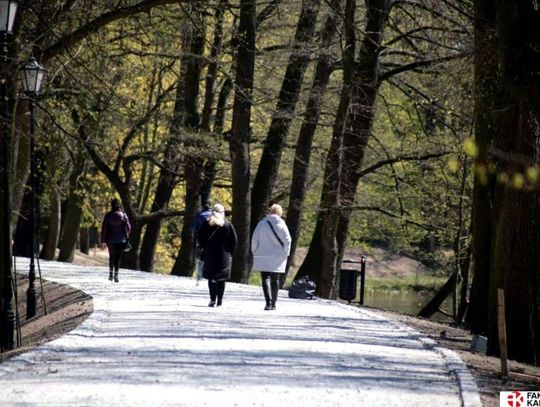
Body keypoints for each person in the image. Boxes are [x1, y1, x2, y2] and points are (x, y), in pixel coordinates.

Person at [251, 204, 291, 310]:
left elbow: (254, 239)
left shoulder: (262, 224)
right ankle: (274, 303)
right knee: (276, 279)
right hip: (278, 255)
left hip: (263, 253)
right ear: (280, 213)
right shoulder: (282, 225)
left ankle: (268, 303)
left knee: (265, 277)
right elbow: (288, 240)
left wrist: (254, 251)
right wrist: (285, 253)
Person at [198, 204, 237, 307]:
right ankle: (219, 300)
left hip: (210, 254)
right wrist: (231, 252)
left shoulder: (206, 224)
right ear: (222, 213)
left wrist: (203, 247)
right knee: (221, 278)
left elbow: (200, 238)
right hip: (224, 255)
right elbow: (234, 240)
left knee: (212, 277)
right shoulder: (227, 225)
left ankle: (212, 299)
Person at [101, 199, 131, 283]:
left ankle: (110, 274)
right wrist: (126, 236)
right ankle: (116, 275)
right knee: (118, 258)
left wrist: (103, 240)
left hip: (110, 239)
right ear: (119, 205)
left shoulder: (108, 215)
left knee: (111, 256)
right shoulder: (123, 215)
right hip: (120, 240)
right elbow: (129, 227)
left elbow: (104, 228)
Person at [190, 202, 212, 284]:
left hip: (201, 240)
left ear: (203, 206)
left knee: (201, 259)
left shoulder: (199, 215)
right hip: (214, 240)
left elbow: (192, 228)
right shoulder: (215, 215)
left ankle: (199, 277)